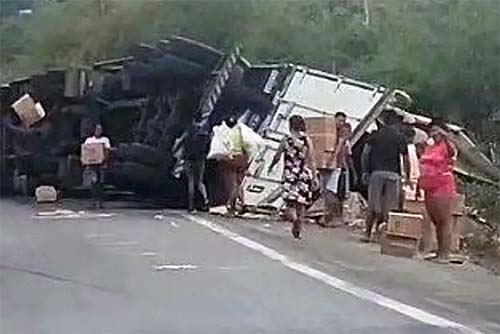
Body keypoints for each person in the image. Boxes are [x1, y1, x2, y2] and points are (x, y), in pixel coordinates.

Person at [361, 112, 411, 242]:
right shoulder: (400, 137)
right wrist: (407, 177)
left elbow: (365, 154)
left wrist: (365, 171)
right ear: (396, 123)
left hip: (376, 173)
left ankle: (367, 233)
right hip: (393, 175)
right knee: (389, 207)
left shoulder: (376, 135)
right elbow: (406, 158)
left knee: (373, 204)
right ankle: (381, 234)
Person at [268, 115, 317, 239]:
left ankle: (294, 219)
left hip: (290, 175)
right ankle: (299, 226)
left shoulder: (286, 139)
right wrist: (314, 176)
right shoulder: (307, 140)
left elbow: (278, 155)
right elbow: (311, 159)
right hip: (303, 174)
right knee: (301, 203)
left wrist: (271, 166)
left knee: (290, 204)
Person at [418, 120, 457, 263]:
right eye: (432, 131)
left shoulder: (447, 146)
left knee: (444, 220)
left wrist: (446, 136)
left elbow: (452, 151)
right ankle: (439, 251)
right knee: (435, 220)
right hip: (429, 185)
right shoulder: (430, 147)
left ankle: (444, 254)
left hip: (443, 185)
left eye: (437, 131)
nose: (434, 134)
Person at [321, 111, 354, 227]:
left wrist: (333, 161)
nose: (341, 123)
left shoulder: (341, 134)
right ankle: (327, 217)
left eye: (343, 121)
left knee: (330, 191)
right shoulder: (333, 134)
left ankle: (328, 217)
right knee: (328, 191)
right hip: (332, 166)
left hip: (336, 167)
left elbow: (342, 150)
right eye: (339, 120)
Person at [222, 116, 249, 215]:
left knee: (233, 184)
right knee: (238, 184)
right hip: (243, 159)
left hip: (234, 159)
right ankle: (243, 203)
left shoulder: (228, 133)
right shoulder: (243, 133)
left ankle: (231, 208)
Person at [83, 123, 111, 209]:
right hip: (92, 164)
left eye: (100, 129)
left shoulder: (105, 140)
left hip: (101, 164)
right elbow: (86, 151)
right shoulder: (89, 140)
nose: (99, 131)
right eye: (97, 129)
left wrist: (104, 160)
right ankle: (94, 201)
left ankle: (100, 201)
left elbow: (108, 150)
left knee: (101, 183)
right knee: (93, 182)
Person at [184, 124, 210, 213]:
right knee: (199, 182)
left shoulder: (189, 136)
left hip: (189, 160)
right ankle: (206, 201)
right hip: (200, 160)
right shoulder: (204, 137)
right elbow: (207, 150)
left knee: (190, 183)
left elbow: (185, 148)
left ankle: (191, 206)